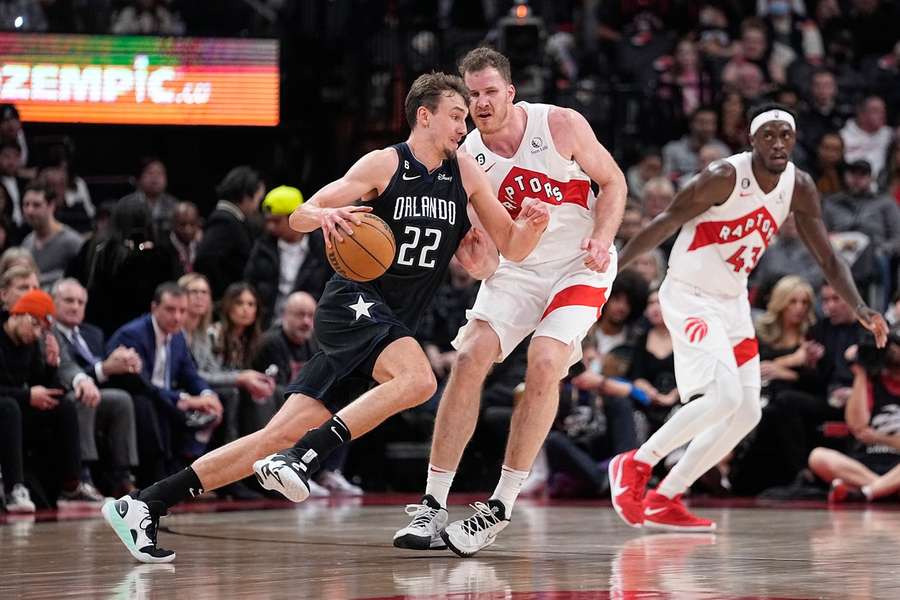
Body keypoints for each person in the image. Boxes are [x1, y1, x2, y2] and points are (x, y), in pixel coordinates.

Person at [100, 71, 549, 563]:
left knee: (273, 435)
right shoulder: (385, 163)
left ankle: (144, 504)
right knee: (420, 381)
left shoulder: (465, 174)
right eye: (457, 116)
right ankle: (304, 459)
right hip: (351, 307)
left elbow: (500, 254)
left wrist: (528, 227)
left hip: (388, 326)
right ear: (425, 115)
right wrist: (326, 217)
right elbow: (301, 213)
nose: (465, 127)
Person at [605, 103, 888, 533]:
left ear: (794, 141)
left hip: (732, 301)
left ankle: (667, 496)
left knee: (747, 412)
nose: (778, 143)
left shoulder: (799, 186)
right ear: (752, 141)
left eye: (785, 136)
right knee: (721, 398)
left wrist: (861, 307)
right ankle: (635, 463)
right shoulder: (724, 176)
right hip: (690, 295)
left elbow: (828, 256)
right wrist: (613, 270)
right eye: (769, 136)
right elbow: (665, 221)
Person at [393, 47, 627, 557]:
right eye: (471, 94)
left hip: (577, 266)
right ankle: (433, 504)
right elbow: (484, 253)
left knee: (545, 362)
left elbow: (613, 181)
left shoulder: (561, 124)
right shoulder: (465, 159)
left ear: (510, 92)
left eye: (489, 92)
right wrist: (476, 265)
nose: (480, 102)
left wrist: (604, 237)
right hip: (519, 270)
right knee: (470, 355)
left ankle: (499, 505)